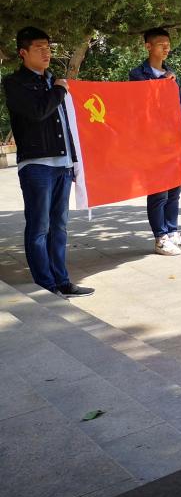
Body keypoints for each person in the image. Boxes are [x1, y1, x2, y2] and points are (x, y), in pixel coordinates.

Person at [2, 27, 92, 297]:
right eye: (39, 48)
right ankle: (46, 284)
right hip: (36, 165)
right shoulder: (15, 83)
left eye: (48, 48)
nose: (46, 53)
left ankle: (62, 281)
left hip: (62, 165)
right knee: (39, 227)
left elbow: (66, 124)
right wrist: (59, 90)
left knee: (59, 226)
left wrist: (73, 161)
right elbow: (38, 111)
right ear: (23, 52)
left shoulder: (53, 81)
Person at [128, 27, 181, 256]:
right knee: (159, 191)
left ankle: (173, 232)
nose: (166, 48)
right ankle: (160, 238)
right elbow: (142, 105)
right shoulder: (137, 75)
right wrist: (162, 83)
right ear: (148, 46)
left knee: (175, 190)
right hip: (152, 143)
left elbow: (177, 109)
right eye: (161, 44)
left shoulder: (171, 75)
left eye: (168, 44)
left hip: (173, 140)